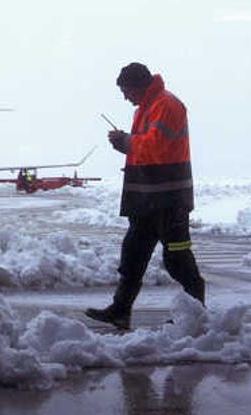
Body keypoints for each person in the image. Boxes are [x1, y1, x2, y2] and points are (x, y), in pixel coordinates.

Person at [85, 63, 205, 331]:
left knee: (178, 259)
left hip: (169, 201)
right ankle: (120, 310)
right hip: (147, 201)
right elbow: (144, 150)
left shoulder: (167, 105)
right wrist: (124, 145)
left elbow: (156, 148)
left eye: (127, 91)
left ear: (140, 86)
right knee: (133, 256)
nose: (126, 98)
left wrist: (126, 142)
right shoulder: (146, 109)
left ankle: (195, 314)